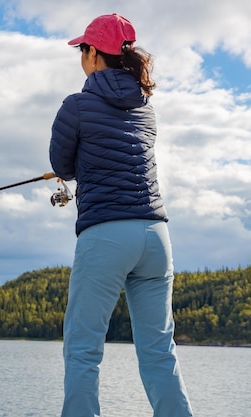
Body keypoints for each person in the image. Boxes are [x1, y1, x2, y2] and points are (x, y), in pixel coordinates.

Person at [49, 13, 194, 417]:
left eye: (83, 49)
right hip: (155, 236)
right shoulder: (146, 109)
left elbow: (63, 164)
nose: (81, 56)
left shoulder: (76, 105)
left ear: (94, 53)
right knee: (159, 352)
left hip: (106, 234)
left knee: (83, 350)